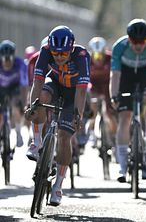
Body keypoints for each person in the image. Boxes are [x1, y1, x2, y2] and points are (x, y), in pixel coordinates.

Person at [24, 26, 90, 206]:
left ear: (72, 49)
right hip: (54, 84)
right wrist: (32, 106)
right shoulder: (45, 52)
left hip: (73, 94)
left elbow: (82, 92)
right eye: (56, 54)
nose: (59, 57)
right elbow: (37, 82)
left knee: (64, 136)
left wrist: (78, 115)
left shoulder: (82, 56)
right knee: (41, 99)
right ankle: (36, 142)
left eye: (63, 54)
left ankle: (58, 185)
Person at [110, 19, 146, 183]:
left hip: (145, 72)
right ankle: (122, 165)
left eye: (142, 42)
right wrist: (114, 95)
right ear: (129, 39)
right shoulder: (119, 46)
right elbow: (115, 75)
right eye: (135, 42)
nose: (139, 46)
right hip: (125, 73)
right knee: (125, 118)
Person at [86, 37, 117, 148]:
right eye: (96, 55)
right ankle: (92, 133)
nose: (98, 59)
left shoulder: (111, 58)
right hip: (94, 86)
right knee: (93, 107)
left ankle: (114, 137)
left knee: (108, 112)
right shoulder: (87, 60)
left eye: (101, 55)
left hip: (107, 87)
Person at [0, 40, 28, 148]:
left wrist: (24, 104)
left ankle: (18, 133)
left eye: (9, 60)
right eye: (5, 60)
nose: (7, 64)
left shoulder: (20, 64)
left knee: (16, 106)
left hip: (14, 88)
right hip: (1, 88)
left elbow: (24, 85)